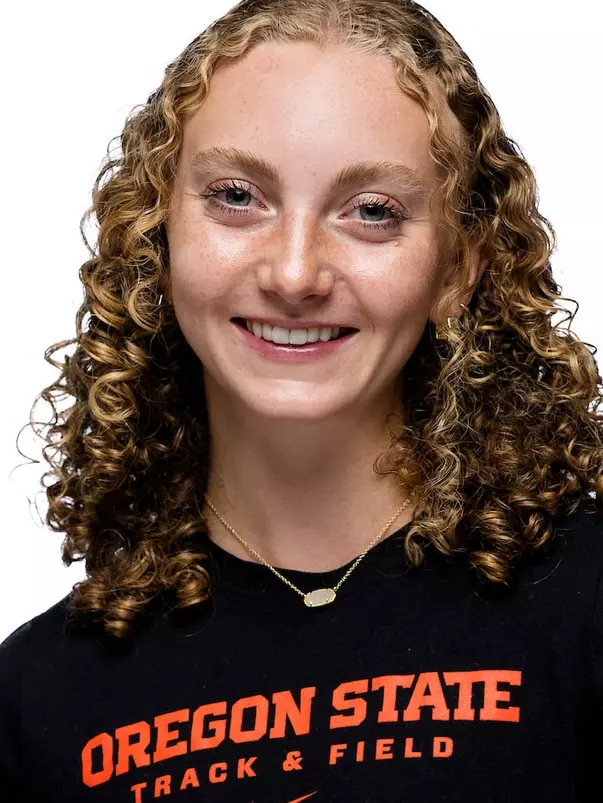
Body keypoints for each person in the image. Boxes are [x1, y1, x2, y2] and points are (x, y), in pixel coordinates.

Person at [1, 0, 602, 800]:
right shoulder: (37, 699)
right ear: (159, 237)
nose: (293, 274)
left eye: (372, 212)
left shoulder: (585, 608)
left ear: (458, 269)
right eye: (236, 196)